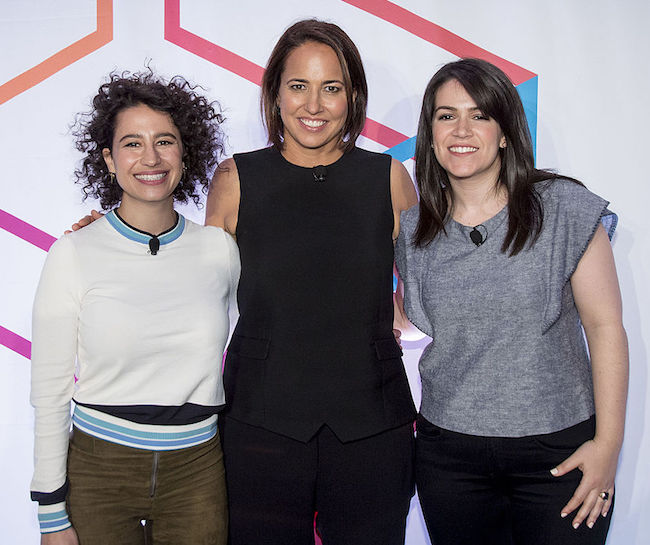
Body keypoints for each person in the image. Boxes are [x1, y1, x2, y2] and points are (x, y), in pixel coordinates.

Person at [395, 58, 628, 545]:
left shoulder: (563, 208)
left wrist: (607, 446)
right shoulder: (414, 231)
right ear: (430, 134)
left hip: (559, 456)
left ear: (505, 132)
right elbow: (403, 319)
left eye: (480, 115)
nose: (462, 129)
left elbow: (606, 328)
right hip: (449, 459)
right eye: (446, 115)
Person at [206, 19, 417, 545]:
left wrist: (394, 309)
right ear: (275, 94)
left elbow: (432, 280)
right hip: (259, 422)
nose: (314, 106)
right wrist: (113, 231)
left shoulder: (388, 178)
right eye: (298, 86)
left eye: (332, 88)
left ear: (353, 97)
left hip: (372, 424)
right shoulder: (235, 179)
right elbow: (190, 286)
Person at [30, 72, 239, 545]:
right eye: (131, 143)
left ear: (186, 154)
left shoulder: (220, 251)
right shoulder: (74, 253)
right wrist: (50, 511)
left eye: (165, 141)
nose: (150, 158)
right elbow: (49, 390)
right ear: (108, 158)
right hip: (98, 471)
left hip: (198, 471)